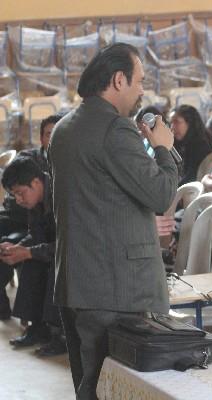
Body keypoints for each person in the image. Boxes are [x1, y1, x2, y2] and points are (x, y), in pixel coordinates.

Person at [49, 43, 178, 399]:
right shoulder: (115, 131)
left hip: (76, 282)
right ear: (118, 80)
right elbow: (160, 195)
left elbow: (95, 201)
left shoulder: (64, 128)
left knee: (89, 386)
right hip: (117, 290)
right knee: (118, 390)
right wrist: (164, 149)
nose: (142, 91)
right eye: (139, 81)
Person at [0, 157, 65, 357]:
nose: (18, 200)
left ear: (36, 182)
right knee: (30, 260)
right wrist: (18, 247)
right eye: (14, 195)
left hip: (74, 252)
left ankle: (59, 335)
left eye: (20, 193)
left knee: (53, 264)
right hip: (55, 247)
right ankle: (37, 327)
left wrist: (28, 251)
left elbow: (69, 244)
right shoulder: (35, 200)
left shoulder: (61, 195)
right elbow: (35, 235)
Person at [169, 104, 212, 184]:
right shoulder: (179, 142)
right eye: (171, 123)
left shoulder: (201, 145)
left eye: (176, 122)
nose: (172, 127)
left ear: (190, 123)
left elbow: (191, 178)